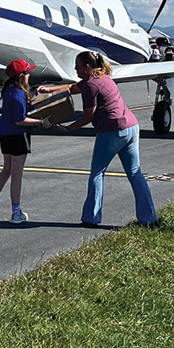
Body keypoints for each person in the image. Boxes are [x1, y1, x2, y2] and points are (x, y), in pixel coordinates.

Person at [40, 51, 158, 228]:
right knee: (135, 173)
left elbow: (88, 116)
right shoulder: (103, 78)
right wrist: (50, 89)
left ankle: (91, 218)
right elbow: (73, 88)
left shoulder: (91, 86)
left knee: (97, 172)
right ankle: (149, 219)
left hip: (112, 131)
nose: (75, 69)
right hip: (131, 127)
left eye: (78, 66)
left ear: (87, 67)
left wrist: (67, 128)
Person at [0, 59, 52, 223]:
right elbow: (20, 120)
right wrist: (41, 122)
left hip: (5, 136)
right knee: (16, 175)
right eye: (26, 72)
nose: (29, 74)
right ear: (21, 76)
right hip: (18, 136)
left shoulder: (10, 90)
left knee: (6, 171)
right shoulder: (18, 94)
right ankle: (15, 212)